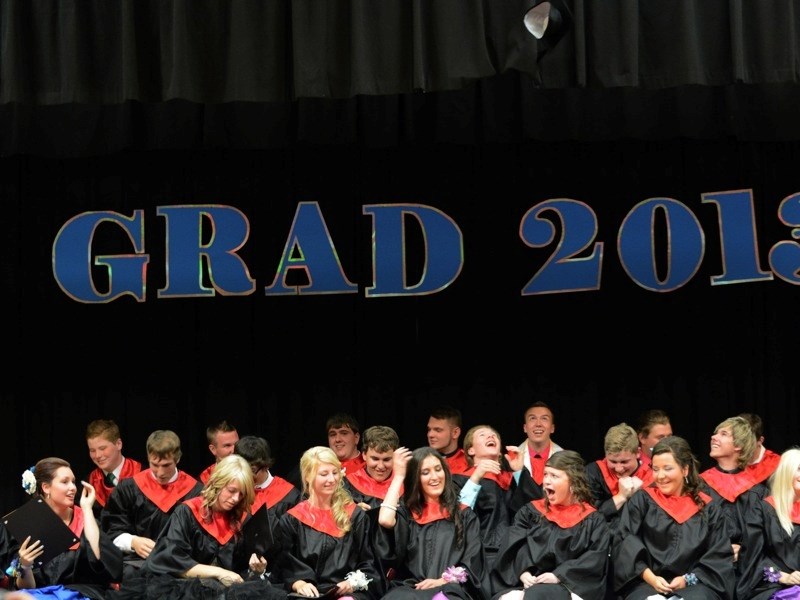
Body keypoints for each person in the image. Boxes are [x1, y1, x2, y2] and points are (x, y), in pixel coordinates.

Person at [136, 454, 284, 600]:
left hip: (227, 592)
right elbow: (173, 563)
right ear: (217, 483)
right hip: (187, 588)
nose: (235, 499)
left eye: (241, 494)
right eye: (232, 491)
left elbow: (240, 571)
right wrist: (218, 572)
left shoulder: (242, 520)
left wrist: (255, 570)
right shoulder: (187, 512)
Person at [612, 436, 735, 600]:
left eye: (667, 468)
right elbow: (624, 543)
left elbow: (718, 556)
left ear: (685, 470)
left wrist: (687, 579)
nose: (660, 476)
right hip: (646, 584)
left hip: (695, 587)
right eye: (655, 469)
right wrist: (651, 578)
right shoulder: (642, 500)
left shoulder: (708, 508)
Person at [490, 450, 611, 600]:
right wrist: (523, 571)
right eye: (546, 474)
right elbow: (513, 545)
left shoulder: (592, 521)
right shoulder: (530, 512)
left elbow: (594, 559)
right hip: (526, 583)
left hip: (568, 587)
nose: (546, 481)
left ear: (574, 482)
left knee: (538, 594)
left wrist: (559, 575)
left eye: (554, 476)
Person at [375, 446, 489, 600]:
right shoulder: (409, 514)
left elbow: (472, 561)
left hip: (450, 588)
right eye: (425, 472)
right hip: (412, 587)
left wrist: (443, 580)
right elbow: (385, 520)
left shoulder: (463, 514)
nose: (434, 477)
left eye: (438, 469)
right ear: (416, 479)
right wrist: (399, 475)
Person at [274, 446, 382, 600]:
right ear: (307, 477)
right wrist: (298, 583)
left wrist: (352, 583)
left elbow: (368, 563)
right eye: (324, 474)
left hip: (347, 593)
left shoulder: (355, 516)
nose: (332, 479)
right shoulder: (292, 519)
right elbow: (286, 565)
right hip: (308, 594)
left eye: (335, 472)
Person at [12, 457, 123, 599]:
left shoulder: (85, 519)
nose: (73, 487)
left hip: (81, 594)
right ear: (46, 487)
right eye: (65, 482)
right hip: (41, 594)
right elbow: (26, 588)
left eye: (73, 482)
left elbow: (100, 559)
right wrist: (25, 566)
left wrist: (87, 509)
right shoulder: (29, 525)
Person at [100, 429, 204, 581]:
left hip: (180, 566)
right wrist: (133, 541)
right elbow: (111, 529)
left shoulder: (195, 492)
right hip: (138, 564)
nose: (160, 472)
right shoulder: (129, 488)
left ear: (178, 459)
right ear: (148, 458)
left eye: (166, 465)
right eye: (154, 464)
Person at [700, 415, 765, 570]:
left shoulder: (757, 490)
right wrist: (721, 549)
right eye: (715, 433)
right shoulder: (700, 484)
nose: (713, 437)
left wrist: (745, 549)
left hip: (749, 566)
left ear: (738, 446)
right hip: (708, 563)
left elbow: (764, 535)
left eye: (723, 434)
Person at [737, 447, 800, 600]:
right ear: (787, 472)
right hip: (772, 586)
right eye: (799, 469)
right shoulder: (764, 510)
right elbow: (752, 556)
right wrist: (781, 576)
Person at [234, 434, 301, 577]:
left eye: (251, 470)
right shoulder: (233, 494)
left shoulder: (289, 496)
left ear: (265, 465)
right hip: (235, 571)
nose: (245, 474)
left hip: (276, 575)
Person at [452, 425, 516, 572]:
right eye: (482, 435)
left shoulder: (510, 480)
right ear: (470, 450)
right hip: (476, 555)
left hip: (507, 555)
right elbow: (458, 515)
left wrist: (518, 471)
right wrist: (476, 476)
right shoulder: (458, 480)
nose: (490, 436)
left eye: (494, 435)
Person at [585, 422, 653, 532]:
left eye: (624, 462)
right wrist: (621, 496)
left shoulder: (651, 477)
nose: (619, 468)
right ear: (606, 455)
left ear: (637, 453)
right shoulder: (593, 473)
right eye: (612, 461)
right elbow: (588, 520)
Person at [510, 402, 564, 511]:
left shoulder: (566, 461)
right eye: (532, 418)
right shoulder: (511, 459)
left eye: (544, 419)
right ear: (525, 428)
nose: (538, 424)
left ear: (552, 428)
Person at [85, 419, 143, 519]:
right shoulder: (88, 484)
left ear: (118, 444)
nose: (98, 455)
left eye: (102, 448)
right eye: (92, 450)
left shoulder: (143, 475)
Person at [344, 425, 402, 510]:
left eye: (386, 460)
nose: (381, 466)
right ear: (364, 455)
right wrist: (352, 513)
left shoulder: (407, 485)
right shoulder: (347, 485)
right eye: (375, 459)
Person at [738, 412, 780, 484]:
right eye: (737, 439)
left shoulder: (776, 464)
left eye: (747, 441)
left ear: (760, 440)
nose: (740, 446)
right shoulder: (729, 460)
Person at [427, 406, 469, 475]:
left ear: (455, 433)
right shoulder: (420, 461)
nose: (430, 435)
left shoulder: (469, 462)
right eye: (429, 429)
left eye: (438, 430)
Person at [199, 420, 239, 484]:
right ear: (213, 449)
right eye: (227, 445)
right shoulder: (204, 481)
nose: (234, 450)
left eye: (237, 443)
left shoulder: (253, 474)